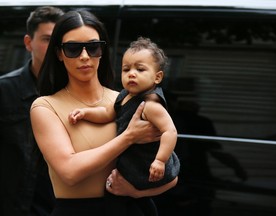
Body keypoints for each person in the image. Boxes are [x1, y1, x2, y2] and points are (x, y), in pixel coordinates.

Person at [30, 10, 177, 216]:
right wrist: (129, 137)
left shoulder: (127, 101)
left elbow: (171, 173)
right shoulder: (45, 107)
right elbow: (70, 172)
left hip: (133, 208)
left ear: (102, 50)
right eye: (72, 49)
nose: (84, 57)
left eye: (92, 47)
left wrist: (135, 192)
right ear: (59, 54)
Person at [68, 36, 180, 190]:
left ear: (157, 77)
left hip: (147, 164)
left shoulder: (151, 104)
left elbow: (170, 131)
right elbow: (107, 113)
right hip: (132, 160)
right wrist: (85, 113)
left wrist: (160, 160)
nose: (131, 74)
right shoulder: (124, 95)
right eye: (126, 69)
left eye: (140, 69)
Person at [0, 6, 64, 216]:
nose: (55, 47)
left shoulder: (78, 94)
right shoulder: (5, 90)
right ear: (29, 43)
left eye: (60, 41)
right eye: (47, 39)